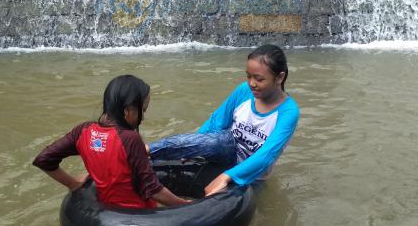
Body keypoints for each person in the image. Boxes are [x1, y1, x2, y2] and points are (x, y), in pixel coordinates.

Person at [149, 44, 299, 196]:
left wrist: (226, 177)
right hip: (226, 154)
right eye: (248, 76)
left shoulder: (288, 112)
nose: (252, 83)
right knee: (221, 139)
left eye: (259, 79)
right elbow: (217, 122)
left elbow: (266, 155)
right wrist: (191, 148)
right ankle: (148, 150)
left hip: (252, 173)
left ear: (279, 77)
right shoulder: (244, 90)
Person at [33, 75, 191, 208]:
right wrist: (184, 205)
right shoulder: (130, 139)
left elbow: (43, 159)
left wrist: (73, 184)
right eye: (142, 110)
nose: (143, 117)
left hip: (106, 213)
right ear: (127, 110)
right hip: (139, 217)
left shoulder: (83, 131)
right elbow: (152, 189)